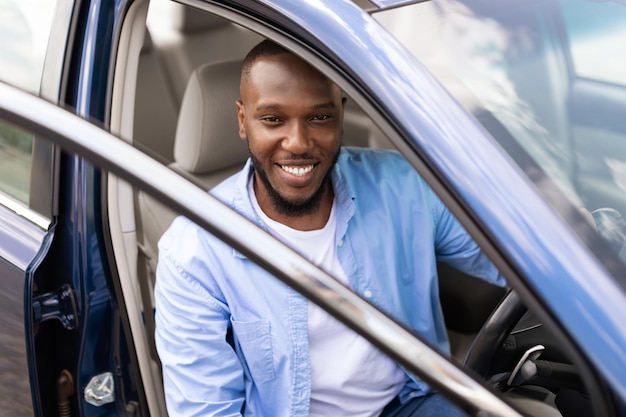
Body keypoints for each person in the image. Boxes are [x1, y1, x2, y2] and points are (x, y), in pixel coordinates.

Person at [154, 39, 505, 417]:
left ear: (341, 113)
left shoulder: (404, 186)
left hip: (415, 402)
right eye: (273, 119)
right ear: (243, 121)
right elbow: (207, 412)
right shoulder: (195, 250)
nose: (298, 143)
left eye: (318, 118)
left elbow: (516, 265)